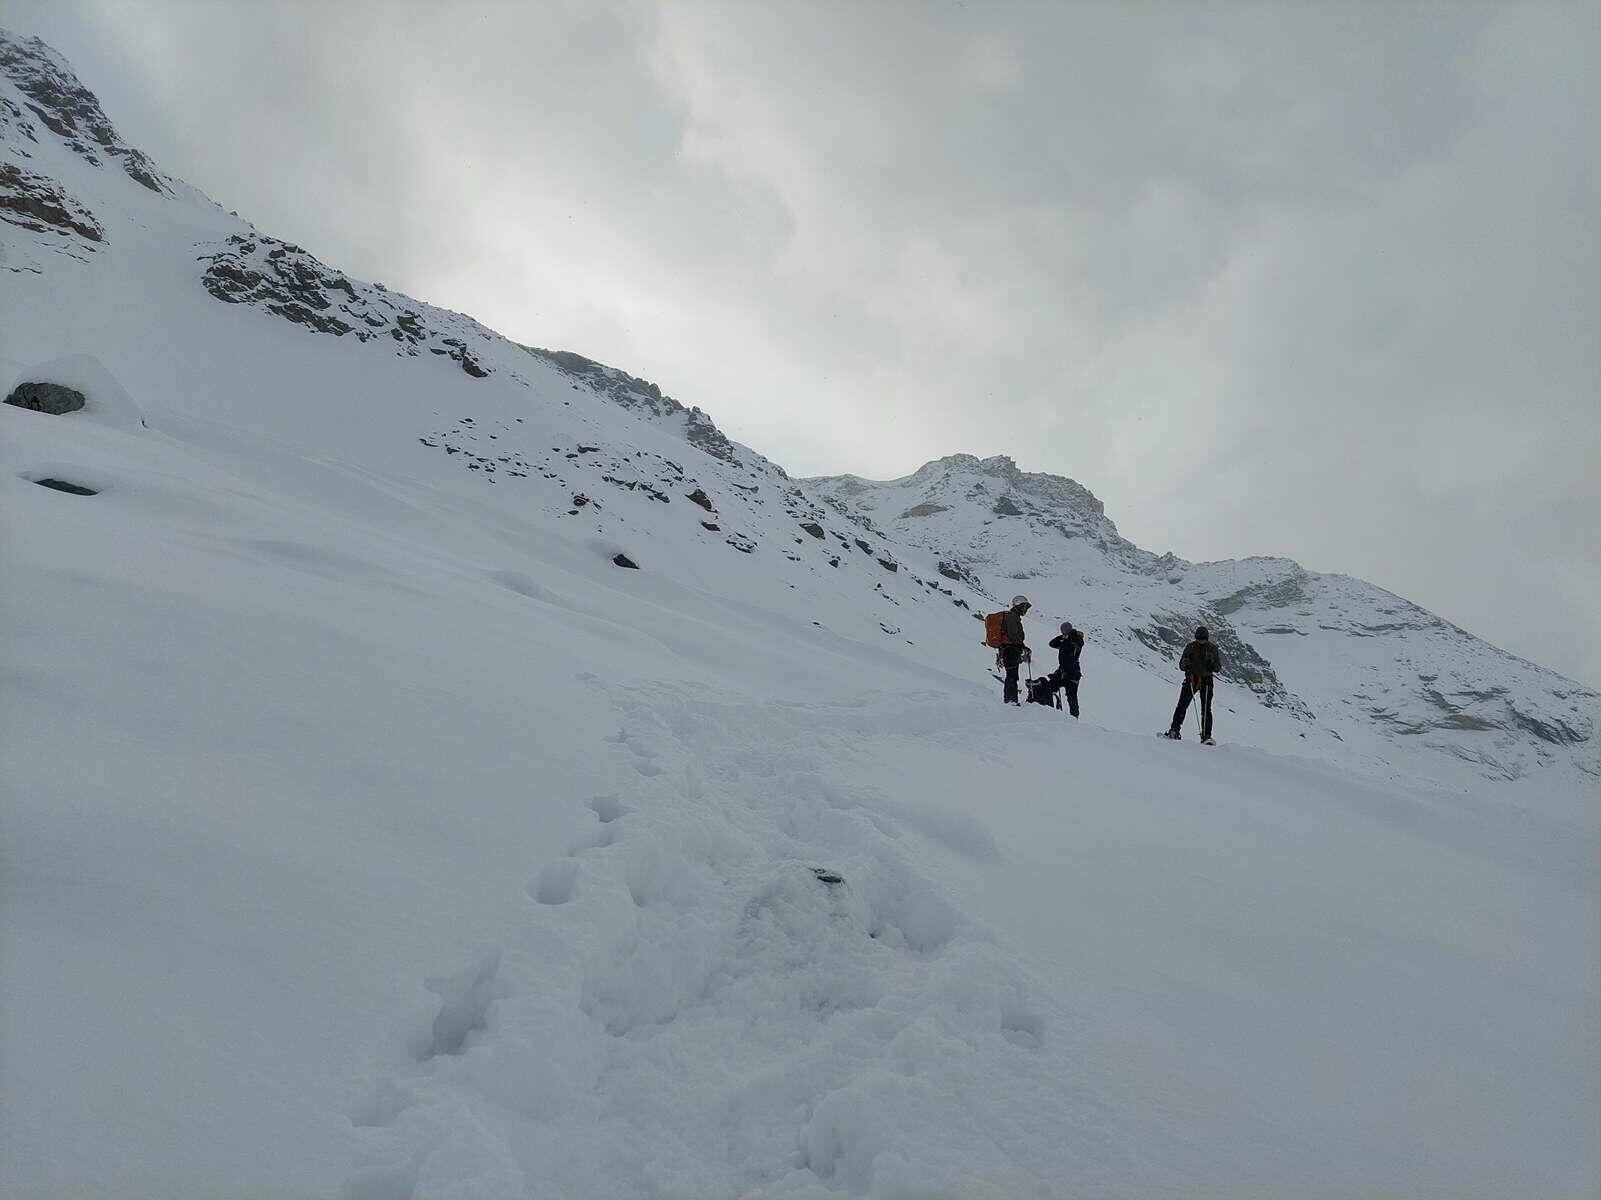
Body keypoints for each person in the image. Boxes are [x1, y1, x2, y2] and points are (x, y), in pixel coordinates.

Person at [1164, 626, 1221, 742]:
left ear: (1206, 638)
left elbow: (1218, 668)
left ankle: (1206, 736)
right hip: (1192, 678)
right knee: (1182, 705)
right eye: (1199, 639)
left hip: (1206, 680)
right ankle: (1174, 730)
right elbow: (1181, 665)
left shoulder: (1212, 649)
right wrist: (1185, 663)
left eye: (1203, 639)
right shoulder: (1190, 647)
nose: (1201, 641)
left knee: (1206, 709)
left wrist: (1211, 663)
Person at [1048, 621, 1084, 717]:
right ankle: (1049, 710)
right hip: (1064, 671)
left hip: (1072, 674)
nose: (1062, 632)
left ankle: (1074, 718)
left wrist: (1071, 634)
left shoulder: (1076, 639)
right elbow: (1052, 644)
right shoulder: (1064, 641)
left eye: (1063, 631)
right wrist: (1062, 637)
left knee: (1072, 697)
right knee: (1050, 688)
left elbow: (1080, 643)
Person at [999, 595, 1031, 704]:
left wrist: (1022, 646)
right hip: (1010, 651)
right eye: (1024, 607)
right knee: (1012, 676)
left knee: (1012, 676)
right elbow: (1013, 635)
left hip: (1011, 650)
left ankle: (1011, 700)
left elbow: (1013, 636)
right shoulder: (1011, 617)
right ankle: (1010, 701)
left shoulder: (1013, 617)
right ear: (1018, 606)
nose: (1025, 610)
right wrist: (1021, 645)